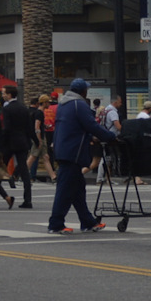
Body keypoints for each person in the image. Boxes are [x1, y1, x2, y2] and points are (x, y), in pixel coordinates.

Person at [48, 78, 118, 234]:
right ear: (82, 91)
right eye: (86, 89)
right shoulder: (79, 104)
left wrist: (89, 137)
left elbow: (74, 128)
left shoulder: (64, 104)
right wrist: (110, 137)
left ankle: (88, 222)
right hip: (73, 152)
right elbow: (91, 125)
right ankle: (55, 224)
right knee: (65, 190)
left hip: (64, 149)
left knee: (78, 190)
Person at [1, 87, 39, 207]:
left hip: (10, 143)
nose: (2, 95)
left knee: (0, 168)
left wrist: (1, 142)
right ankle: (28, 200)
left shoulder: (7, 109)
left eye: (4, 93)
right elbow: (30, 127)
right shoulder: (24, 108)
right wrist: (36, 140)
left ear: (9, 95)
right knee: (24, 171)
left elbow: (6, 128)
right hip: (22, 142)